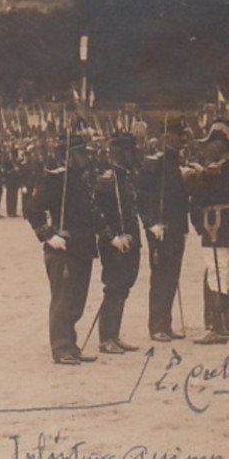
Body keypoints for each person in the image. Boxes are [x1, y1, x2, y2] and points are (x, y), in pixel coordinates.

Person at [24, 133, 99, 365]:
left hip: (83, 247)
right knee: (63, 299)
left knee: (77, 300)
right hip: (63, 248)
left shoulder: (83, 179)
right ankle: (61, 348)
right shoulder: (56, 179)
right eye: (80, 153)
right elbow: (32, 208)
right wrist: (48, 236)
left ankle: (71, 345)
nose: (85, 157)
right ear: (68, 156)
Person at [187, 120, 229, 344]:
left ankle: (218, 326)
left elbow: (201, 195)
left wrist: (197, 178)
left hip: (216, 225)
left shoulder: (216, 172)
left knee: (217, 272)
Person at [136, 117, 190, 342]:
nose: (185, 139)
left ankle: (166, 325)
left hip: (177, 227)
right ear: (168, 137)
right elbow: (141, 196)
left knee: (172, 276)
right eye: (180, 135)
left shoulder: (177, 161)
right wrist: (150, 223)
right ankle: (156, 326)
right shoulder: (154, 162)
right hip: (160, 228)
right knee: (160, 277)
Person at [94, 133, 142, 354]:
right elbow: (100, 214)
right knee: (114, 286)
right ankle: (106, 338)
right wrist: (112, 238)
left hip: (130, 240)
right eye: (130, 151)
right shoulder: (108, 180)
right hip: (115, 243)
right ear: (119, 153)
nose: (134, 155)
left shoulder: (125, 177)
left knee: (124, 286)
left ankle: (114, 334)